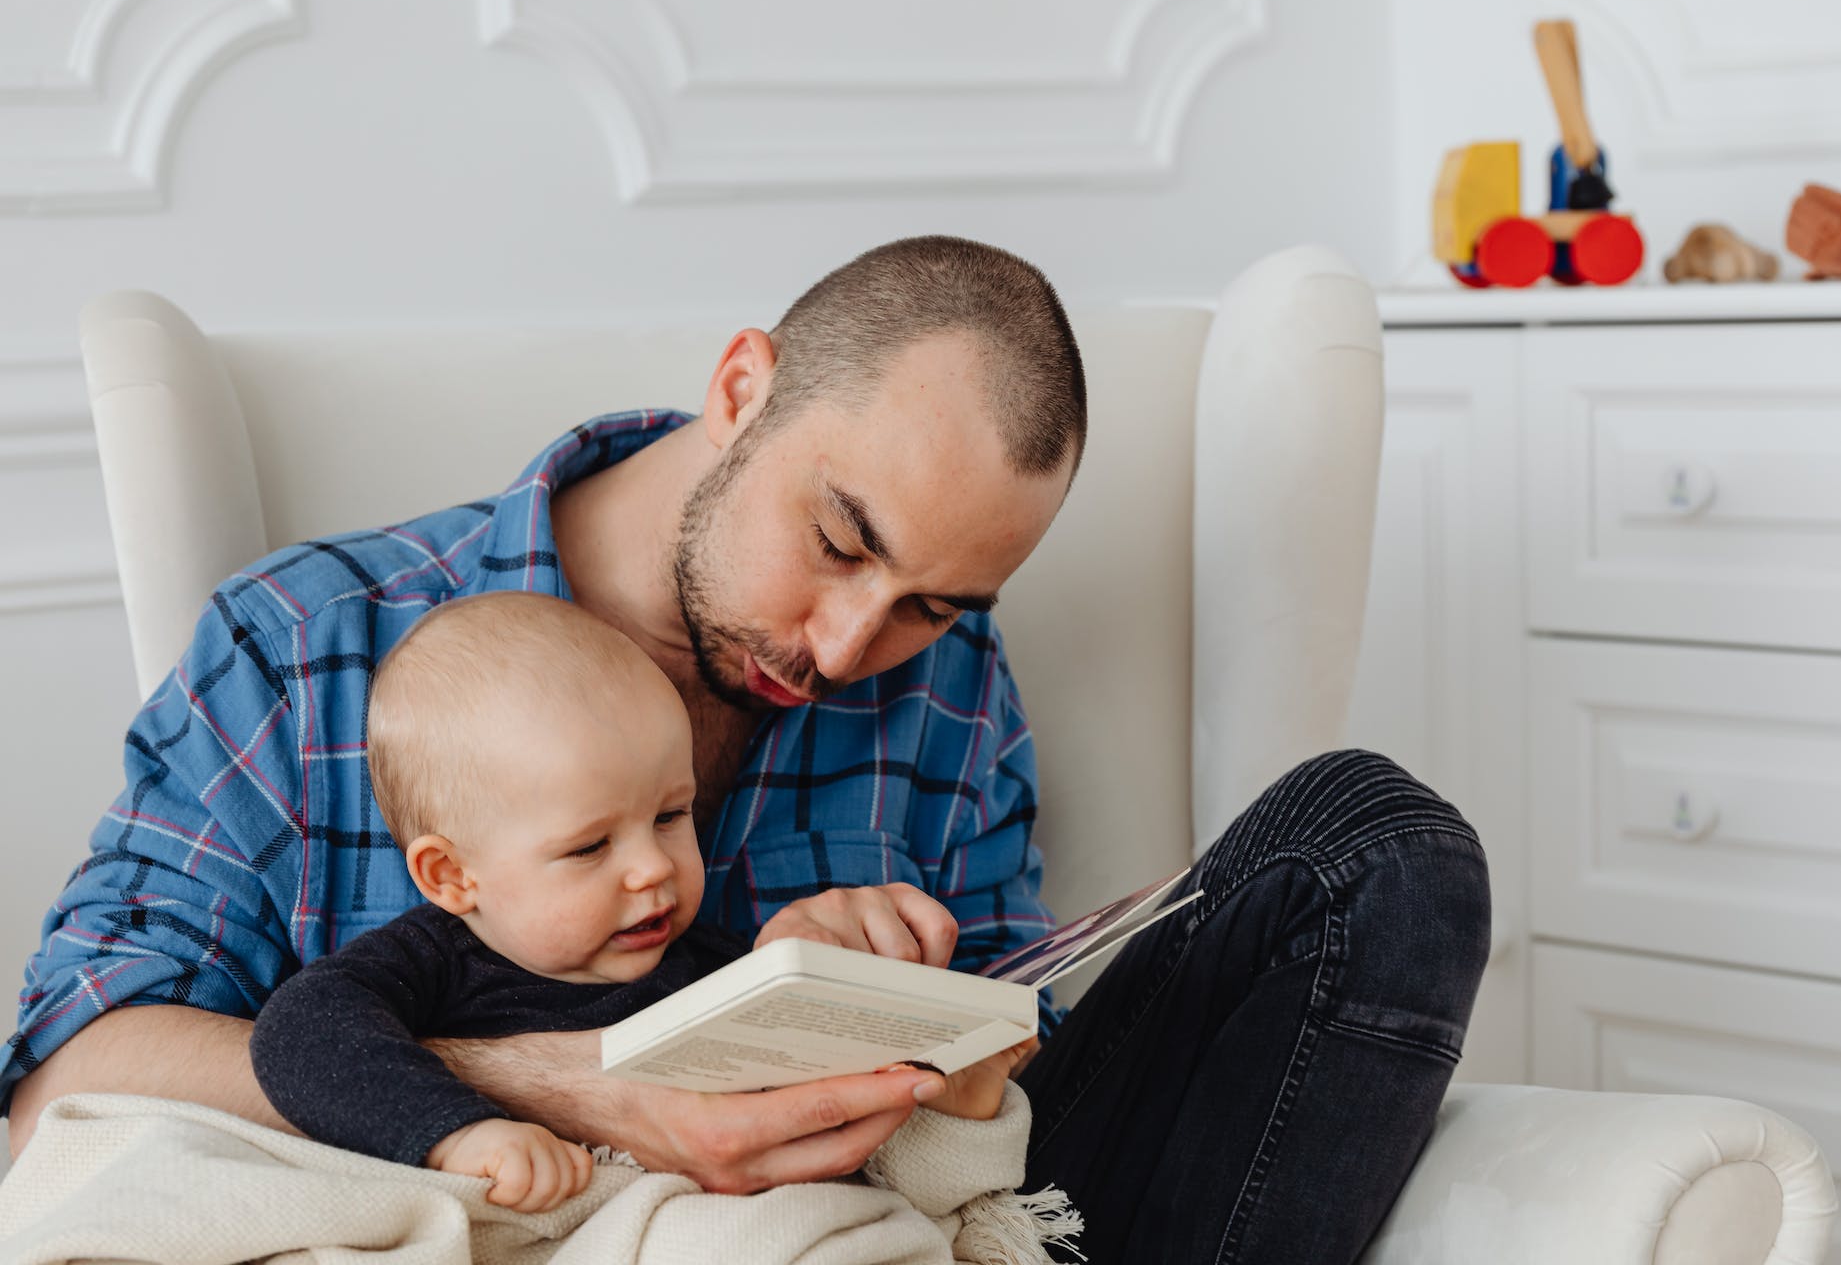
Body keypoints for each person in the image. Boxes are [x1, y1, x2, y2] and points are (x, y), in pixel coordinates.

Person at [6, 234, 1490, 1263]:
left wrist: (934, 1010)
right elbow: (69, 1084)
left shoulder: (948, 680)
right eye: (841, 542)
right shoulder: (309, 643)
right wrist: (574, 1084)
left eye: (929, 602)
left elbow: (999, 1095)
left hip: (885, 1221)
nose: (846, 649)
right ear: (739, 390)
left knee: (1375, 845)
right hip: (523, 1227)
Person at [247, 591, 1049, 1250]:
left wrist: (954, 1097)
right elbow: (297, 1036)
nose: (654, 869)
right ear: (452, 874)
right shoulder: (429, 962)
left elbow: (860, 1152)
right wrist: (458, 1134)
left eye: (671, 816)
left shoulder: (716, 967)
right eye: (591, 845)